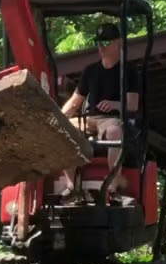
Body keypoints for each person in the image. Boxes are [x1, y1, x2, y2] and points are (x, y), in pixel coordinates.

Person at [59, 22, 139, 195]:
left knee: (114, 132)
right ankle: (71, 185)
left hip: (112, 119)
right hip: (89, 119)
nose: (101, 47)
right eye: (98, 43)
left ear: (118, 42)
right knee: (62, 129)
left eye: (106, 42)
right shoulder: (90, 70)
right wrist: (57, 118)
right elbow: (75, 102)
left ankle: (113, 182)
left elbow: (133, 104)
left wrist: (116, 104)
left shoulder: (130, 71)